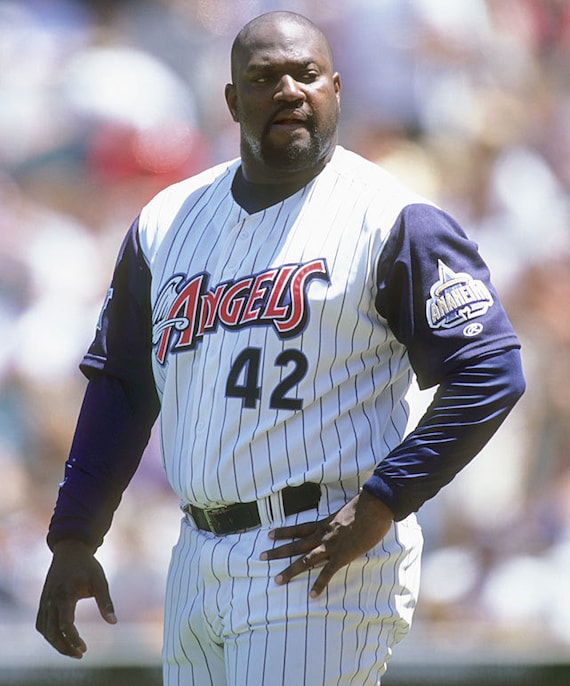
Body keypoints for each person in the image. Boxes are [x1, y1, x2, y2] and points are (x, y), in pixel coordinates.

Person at [36, 11, 525, 686]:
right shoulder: (166, 221)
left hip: (320, 550)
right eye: (265, 78)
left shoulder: (393, 220)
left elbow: (490, 370)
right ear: (234, 100)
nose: (289, 90)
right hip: (196, 556)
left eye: (307, 74)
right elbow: (120, 388)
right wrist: (74, 536)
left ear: (336, 88)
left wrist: (384, 501)